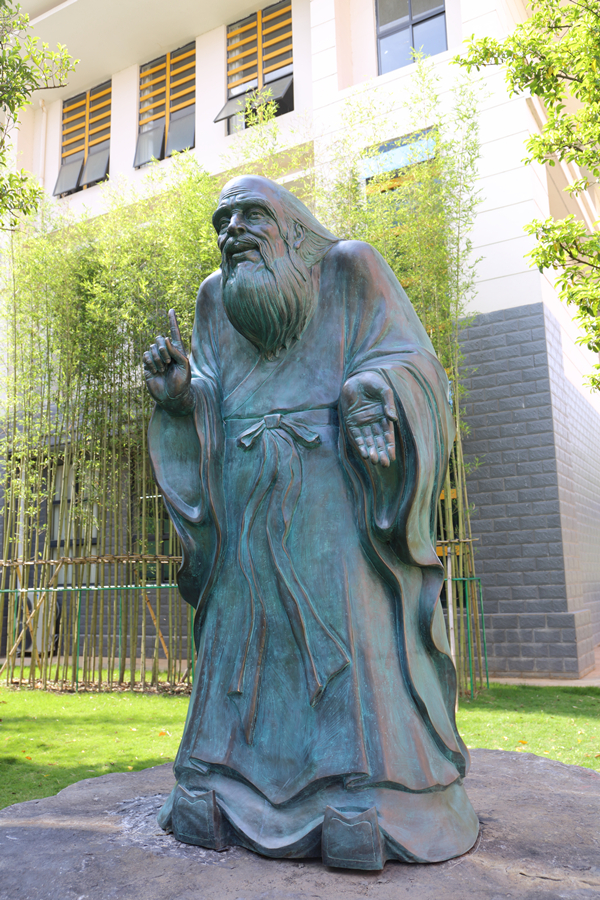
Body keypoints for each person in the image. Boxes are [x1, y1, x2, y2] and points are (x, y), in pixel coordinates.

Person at [143, 175, 478, 868]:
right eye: (221, 222)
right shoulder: (215, 298)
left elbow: (414, 365)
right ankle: (218, 782)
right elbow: (211, 392)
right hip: (244, 504)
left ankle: (364, 791)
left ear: (293, 226)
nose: (232, 231)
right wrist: (180, 396)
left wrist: (371, 392)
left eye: (249, 215)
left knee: (346, 645)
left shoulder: (351, 268)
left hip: (336, 505)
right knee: (241, 642)